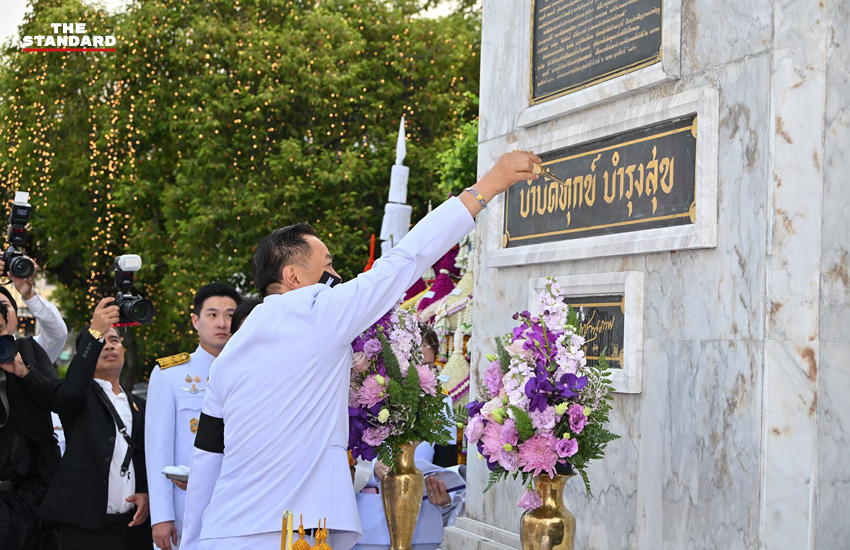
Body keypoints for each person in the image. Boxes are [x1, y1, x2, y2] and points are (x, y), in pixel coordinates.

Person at [180, 151, 541, 550]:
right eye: (328, 265)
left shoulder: (229, 355)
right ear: (293, 276)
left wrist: (195, 538)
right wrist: (487, 186)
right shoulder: (316, 310)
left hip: (222, 531)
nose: (337, 276)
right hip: (287, 534)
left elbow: (208, 454)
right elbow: (406, 258)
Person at [17, 298, 152, 549]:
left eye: (115, 341)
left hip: (132, 526)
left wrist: (146, 493)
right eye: (102, 342)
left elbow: (147, 455)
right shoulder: (78, 395)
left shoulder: (139, 405)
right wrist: (95, 332)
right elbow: (69, 392)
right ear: (86, 355)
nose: (109, 346)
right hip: (85, 528)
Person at [146, 283, 241, 550]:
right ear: (195, 321)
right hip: (185, 508)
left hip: (237, 505)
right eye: (212, 314)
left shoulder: (250, 372)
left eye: (230, 315)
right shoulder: (170, 374)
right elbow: (158, 450)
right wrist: (162, 517)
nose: (222, 323)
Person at [0, 302, 62, 549]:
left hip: (32, 494)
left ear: (9, 327)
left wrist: (24, 373)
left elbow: (60, 400)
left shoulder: (28, 351)